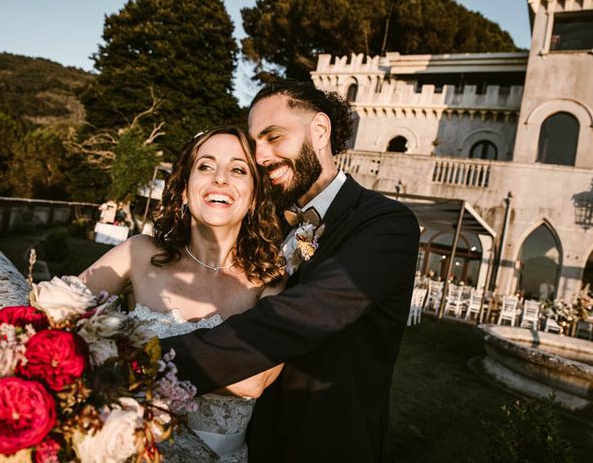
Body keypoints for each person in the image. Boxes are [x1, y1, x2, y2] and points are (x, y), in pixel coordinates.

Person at [159, 81, 421, 462]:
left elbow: (296, 318)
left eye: (274, 137)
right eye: (255, 145)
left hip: (325, 445)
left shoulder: (387, 225)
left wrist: (151, 358)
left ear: (319, 131)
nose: (260, 156)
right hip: (246, 444)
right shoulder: (268, 225)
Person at [79, 127, 286, 462]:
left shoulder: (269, 281)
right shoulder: (139, 253)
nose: (220, 178)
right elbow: (57, 311)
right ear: (185, 190)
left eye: (238, 169)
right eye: (205, 166)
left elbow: (252, 380)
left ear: (255, 197)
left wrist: (119, 354)